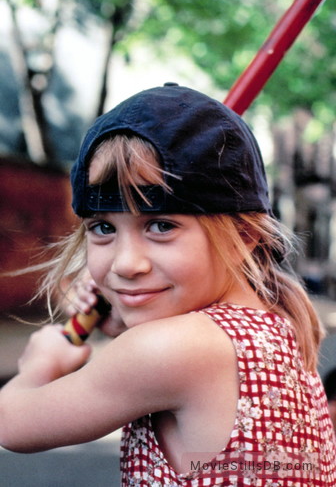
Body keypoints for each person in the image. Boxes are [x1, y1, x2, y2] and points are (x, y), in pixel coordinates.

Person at [0, 84, 335, 486]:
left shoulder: (170, 350)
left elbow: (13, 424)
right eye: (103, 228)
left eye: (161, 226)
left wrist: (41, 363)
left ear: (245, 234)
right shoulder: (275, 317)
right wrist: (125, 318)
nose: (127, 263)